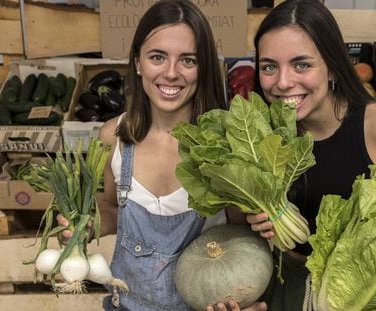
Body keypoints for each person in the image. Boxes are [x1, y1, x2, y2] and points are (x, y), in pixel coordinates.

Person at [59, 0, 267, 310]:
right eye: (157, 57)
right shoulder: (113, 137)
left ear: (204, 67)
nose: (171, 73)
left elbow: (242, 240)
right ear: (139, 63)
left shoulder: (225, 147)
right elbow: (112, 206)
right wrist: (86, 225)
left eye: (188, 60)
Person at [246, 0, 376, 310]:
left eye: (302, 64)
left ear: (331, 64)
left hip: (366, 295)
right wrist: (253, 220)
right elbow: (239, 221)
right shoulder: (260, 136)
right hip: (283, 290)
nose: (283, 82)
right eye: (269, 67)